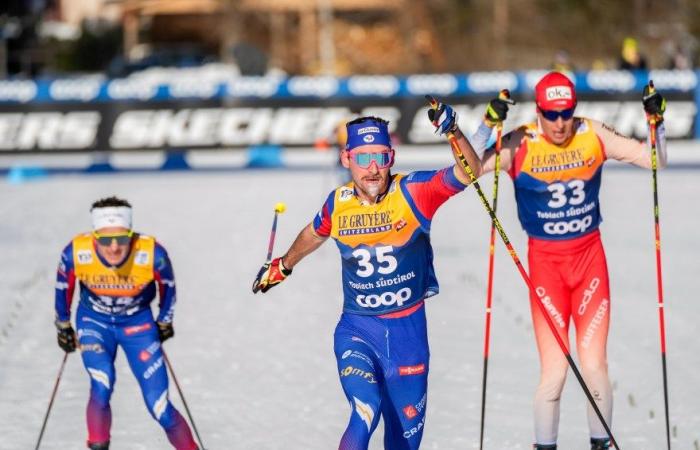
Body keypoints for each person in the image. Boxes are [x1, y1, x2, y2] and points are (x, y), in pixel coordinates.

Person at [433, 71, 667, 449]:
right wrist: (484, 126)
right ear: (539, 110)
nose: (560, 123)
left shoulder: (593, 133)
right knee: (554, 373)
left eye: (566, 113)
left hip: (589, 262)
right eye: (551, 114)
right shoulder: (521, 142)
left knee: (594, 367)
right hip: (546, 270)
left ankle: (600, 444)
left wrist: (657, 124)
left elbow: (655, 160)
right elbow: (470, 170)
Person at [252, 115, 480, 449]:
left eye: (381, 158)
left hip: (409, 339)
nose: (372, 168)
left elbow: (469, 172)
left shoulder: (415, 192)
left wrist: (452, 131)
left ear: (392, 158)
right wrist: (283, 266)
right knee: (365, 409)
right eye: (362, 158)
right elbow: (316, 232)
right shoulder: (338, 202)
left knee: (403, 443)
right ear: (346, 159)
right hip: (358, 331)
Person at [54, 196, 198, 450]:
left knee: (160, 406)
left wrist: (165, 321)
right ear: (94, 236)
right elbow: (63, 288)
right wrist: (63, 325)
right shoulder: (76, 251)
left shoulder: (152, 252)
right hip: (94, 322)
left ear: (131, 235)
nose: (113, 248)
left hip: (138, 326)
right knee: (102, 383)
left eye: (121, 239)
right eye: (105, 240)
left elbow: (169, 287)